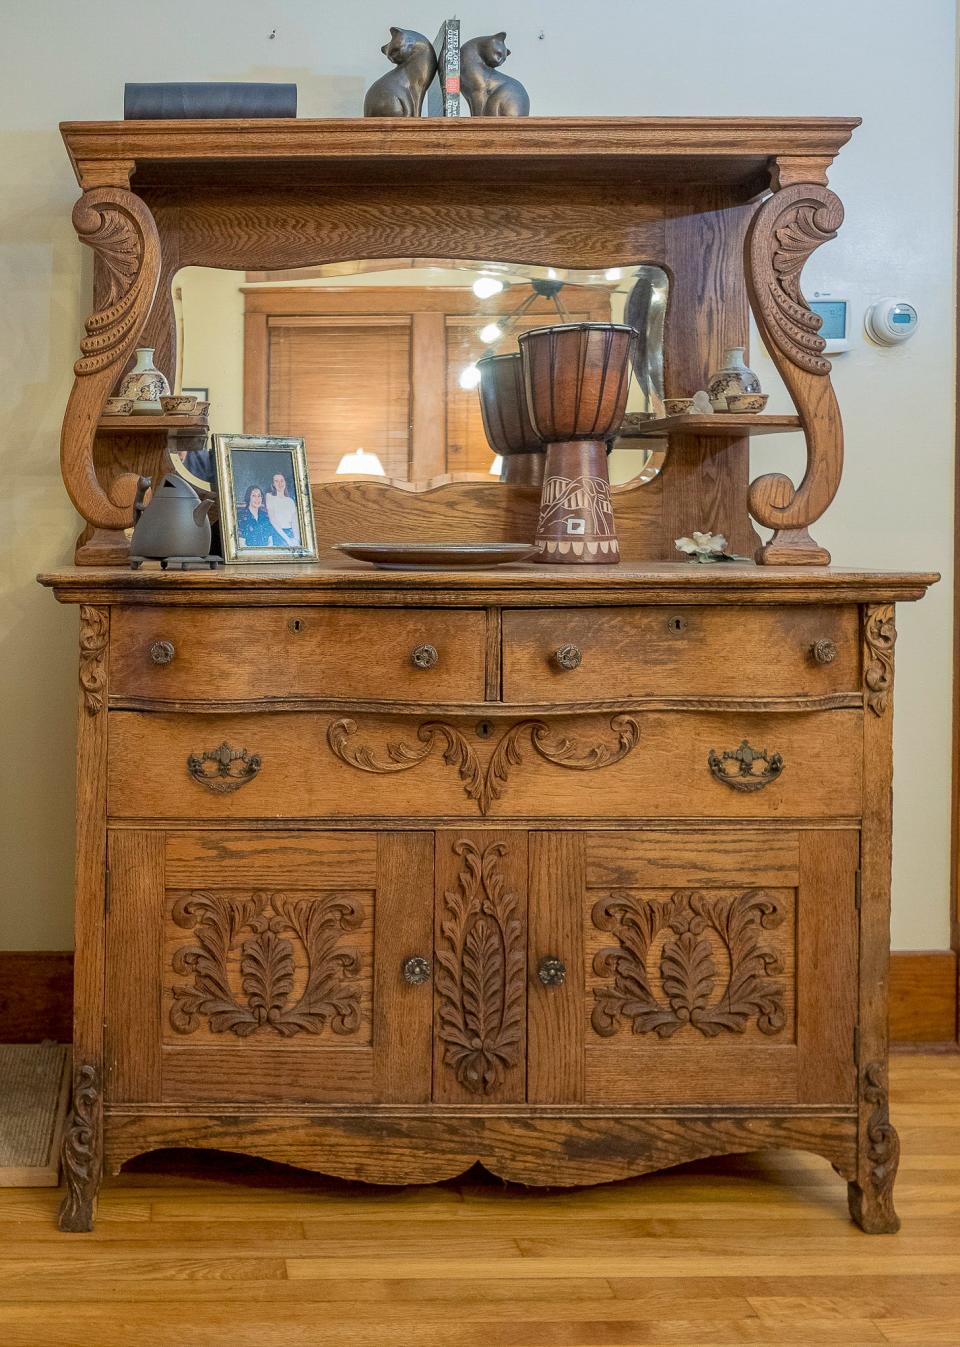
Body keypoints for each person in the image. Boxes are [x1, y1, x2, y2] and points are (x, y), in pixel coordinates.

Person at [236, 484, 288, 549]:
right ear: (248, 498)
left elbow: (270, 542)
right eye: (253, 496)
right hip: (249, 555)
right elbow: (241, 545)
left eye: (259, 496)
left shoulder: (266, 516)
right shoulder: (241, 516)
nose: (257, 499)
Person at [266, 469, 300, 545]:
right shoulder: (270, 496)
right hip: (278, 534)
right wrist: (288, 540)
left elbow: (294, 522)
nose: (280, 483)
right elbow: (273, 520)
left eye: (282, 480)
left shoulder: (290, 500)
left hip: (291, 533)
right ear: (273, 484)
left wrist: (296, 539)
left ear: (285, 482)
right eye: (276, 481)